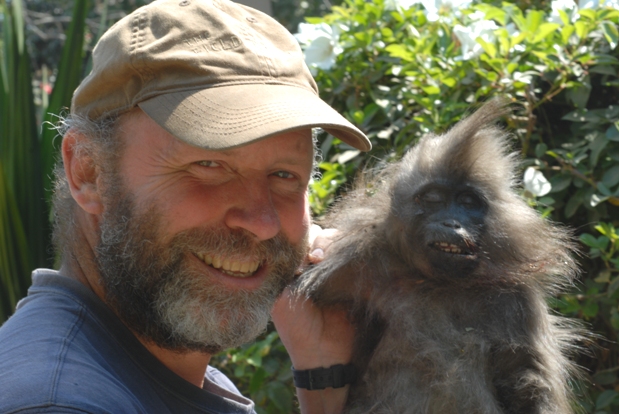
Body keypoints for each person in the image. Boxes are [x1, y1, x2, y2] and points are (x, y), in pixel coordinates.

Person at [0, 0, 371, 413]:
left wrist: (324, 380)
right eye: (209, 165)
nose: (262, 222)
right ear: (89, 172)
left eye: (284, 175)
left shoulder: (163, 376)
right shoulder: (60, 403)